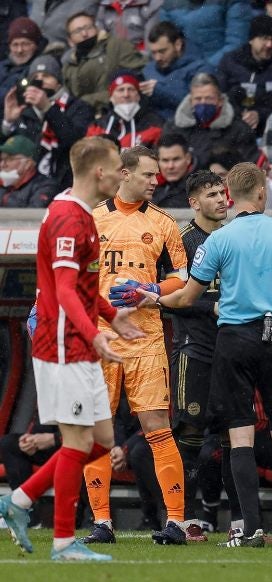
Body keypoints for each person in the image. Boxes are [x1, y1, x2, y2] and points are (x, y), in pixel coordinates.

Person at [143, 162, 272, 548]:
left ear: (230, 196)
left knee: (238, 434)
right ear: (261, 193)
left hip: (235, 339)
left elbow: (189, 296)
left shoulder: (218, 241)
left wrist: (152, 296)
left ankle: (251, 528)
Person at [0, 136, 143, 562]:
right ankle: (63, 542)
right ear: (100, 171)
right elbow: (61, 290)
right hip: (62, 346)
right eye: (119, 166)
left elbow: (81, 288)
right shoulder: (68, 219)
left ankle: (20, 500)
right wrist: (95, 333)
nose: (123, 173)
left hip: (80, 343)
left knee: (100, 440)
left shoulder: (81, 215)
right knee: (78, 443)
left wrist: (110, 314)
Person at [83, 146, 189, 547]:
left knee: (157, 429)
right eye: (148, 174)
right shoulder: (91, 218)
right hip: (100, 336)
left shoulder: (163, 223)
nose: (155, 181)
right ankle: (102, 523)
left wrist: (153, 291)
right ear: (123, 173)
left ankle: (176, 522)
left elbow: (183, 275)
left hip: (146, 337)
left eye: (157, 175)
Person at [163, 170, 228, 541]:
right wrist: (211, 307)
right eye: (212, 195)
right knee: (188, 434)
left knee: (234, 435)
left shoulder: (234, 238)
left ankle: (236, 522)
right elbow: (168, 298)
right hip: (194, 350)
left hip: (233, 350)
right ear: (194, 203)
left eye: (223, 193)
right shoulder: (181, 242)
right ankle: (183, 518)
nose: (221, 200)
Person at [2, 55, 93, 190]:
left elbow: (76, 142)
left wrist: (48, 109)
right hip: (28, 185)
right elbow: (11, 150)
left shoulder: (78, 106)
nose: (40, 80)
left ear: (59, 82)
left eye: (46, 76)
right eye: (35, 77)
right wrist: (8, 122)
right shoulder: (25, 110)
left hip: (67, 181)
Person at [217, 15, 272, 137]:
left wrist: (260, 115)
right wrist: (240, 115)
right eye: (264, 39)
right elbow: (220, 97)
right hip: (233, 129)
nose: (269, 45)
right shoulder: (231, 62)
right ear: (251, 40)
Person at [161, 72, 260, 170]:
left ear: (220, 101)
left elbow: (248, 170)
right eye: (198, 99)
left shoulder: (240, 130)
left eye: (209, 98)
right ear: (190, 101)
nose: (203, 103)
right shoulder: (173, 127)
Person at [61, 12, 146, 113]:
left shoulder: (117, 46)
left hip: (117, 110)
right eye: (78, 31)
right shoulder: (69, 64)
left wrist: (89, 100)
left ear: (96, 28)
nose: (84, 34)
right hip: (83, 116)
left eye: (88, 27)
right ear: (70, 40)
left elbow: (138, 79)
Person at [142, 21, 214, 120]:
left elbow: (199, 105)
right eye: (153, 53)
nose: (157, 57)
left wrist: (160, 92)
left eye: (162, 51)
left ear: (178, 45)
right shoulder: (148, 70)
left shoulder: (201, 69)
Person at [158, 0, 253, 67]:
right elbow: (167, 46)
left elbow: (237, 43)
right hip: (185, 73)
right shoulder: (168, 5)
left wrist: (205, 68)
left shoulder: (235, 3)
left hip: (223, 72)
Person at [85, 72, 165, 148]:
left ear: (138, 96)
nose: (126, 95)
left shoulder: (155, 123)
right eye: (121, 90)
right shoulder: (97, 127)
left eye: (131, 89)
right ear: (111, 97)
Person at [0, 135, 60, 208]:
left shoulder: (46, 186)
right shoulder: (3, 185)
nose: (2, 164)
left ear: (28, 163)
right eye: (1, 159)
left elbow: (32, 216)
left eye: (9, 159)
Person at [0, 17, 46, 99]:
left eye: (25, 44)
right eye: (15, 44)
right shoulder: (2, 65)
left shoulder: (38, 69)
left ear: (36, 45)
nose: (19, 50)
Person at [152, 133, 195, 208]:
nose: (170, 166)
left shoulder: (202, 189)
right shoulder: (149, 186)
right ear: (158, 161)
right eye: (165, 160)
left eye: (176, 159)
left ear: (188, 158)